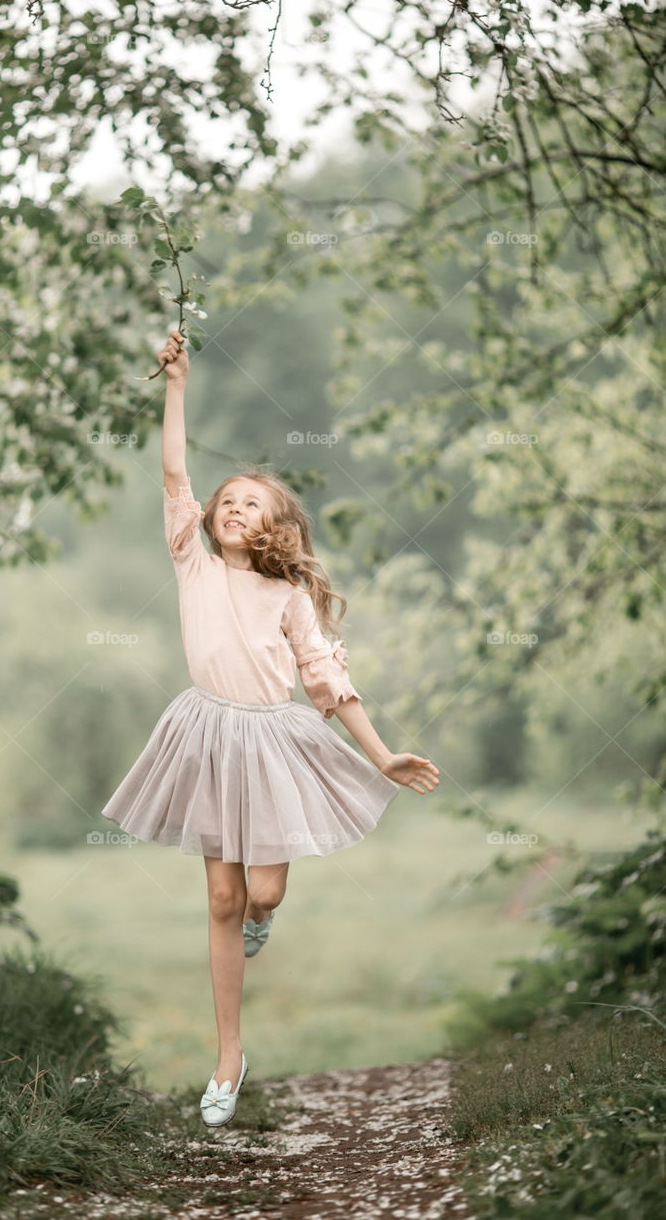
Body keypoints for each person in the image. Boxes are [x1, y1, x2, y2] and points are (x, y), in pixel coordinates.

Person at [101, 329, 440, 1128]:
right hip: (208, 736)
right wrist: (176, 384)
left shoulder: (286, 597)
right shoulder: (192, 559)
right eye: (227, 499)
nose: (231, 506)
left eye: (250, 501)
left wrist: (383, 753)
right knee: (219, 897)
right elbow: (175, 470)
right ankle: (227, 1056)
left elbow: (325, 679)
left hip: (272, 741)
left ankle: (264, 917)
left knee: (262, 889)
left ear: (274, 526)